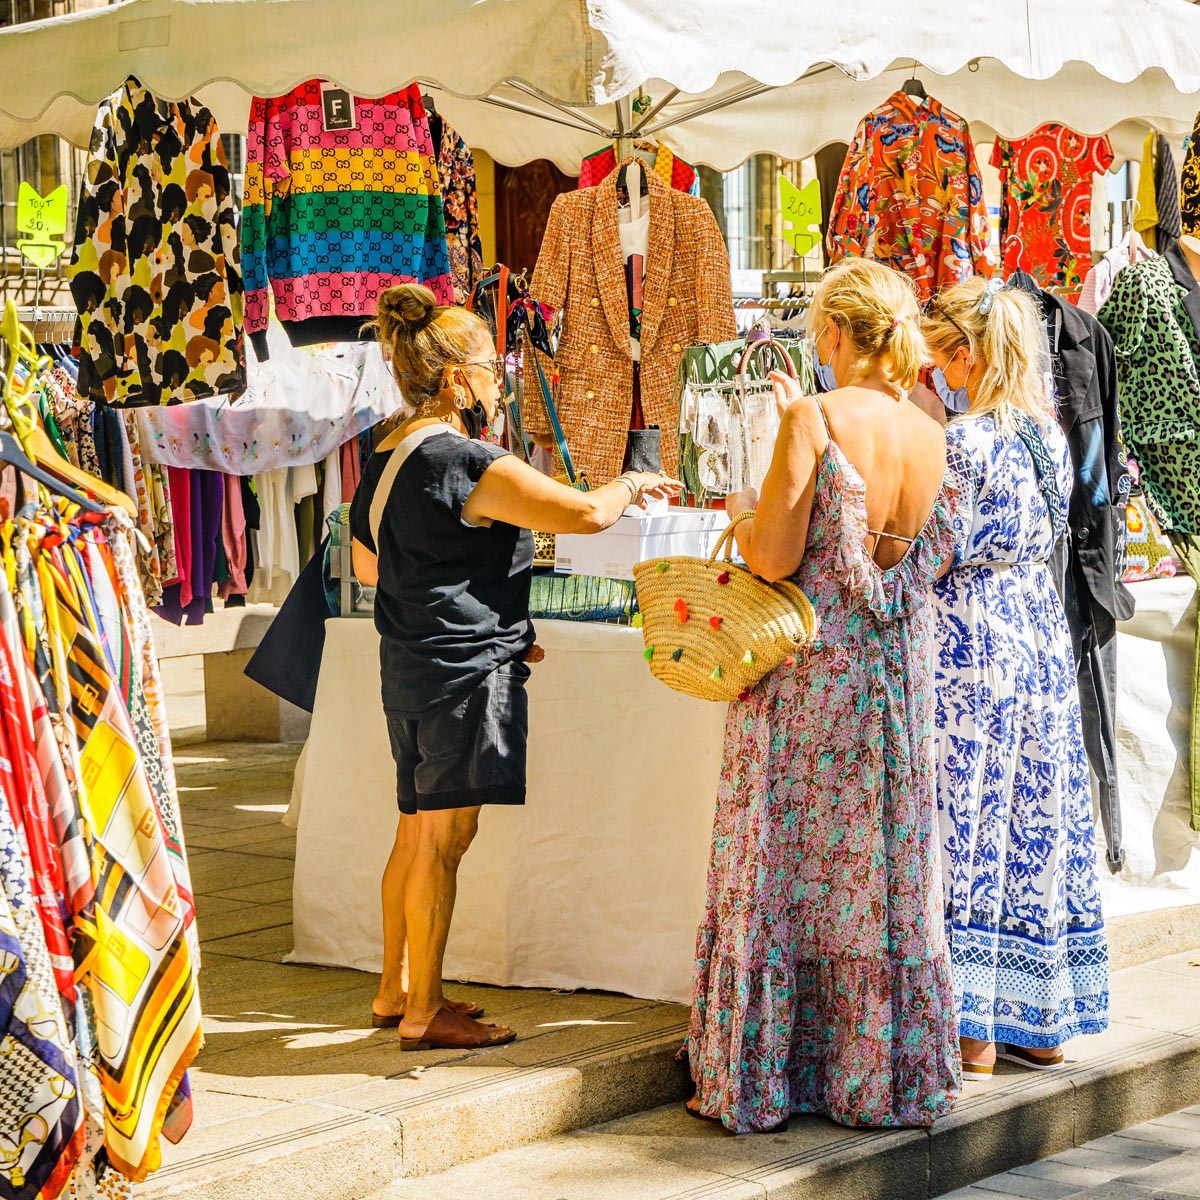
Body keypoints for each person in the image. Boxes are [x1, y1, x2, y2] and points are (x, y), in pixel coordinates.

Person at [350, 283, 680, 1051]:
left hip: (408, 663)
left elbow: (370, 566)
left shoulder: (388, 455)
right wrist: (634, 480)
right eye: (494, 370)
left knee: (413, 833)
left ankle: (396, 988)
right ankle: (426, 1010)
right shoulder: (466, 459)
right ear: (459, 379)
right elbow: (586, 514)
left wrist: (470, 593)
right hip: (461, 673)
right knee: (442, 843)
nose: (501, 383)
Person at [687, 258, 961, 1132]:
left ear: (836, 335)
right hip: (892, 683)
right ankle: (872, 1075)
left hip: (811, 679)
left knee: (783, 871)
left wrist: (740, 507)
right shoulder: (929, 426)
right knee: (877, 874)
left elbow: (771, 557)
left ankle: (771, 1074)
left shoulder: (812, 415)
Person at [922, 277, 1110, 1077]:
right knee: (1035, 818)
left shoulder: (961, 444)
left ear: (965, 355)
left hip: (972, 646)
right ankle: (1039, 1020)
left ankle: (973, 1032)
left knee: (969, 821)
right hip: (1036, 640)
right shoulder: (1047, 434)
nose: (936, 375)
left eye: (940, 359)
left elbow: (935, 551)